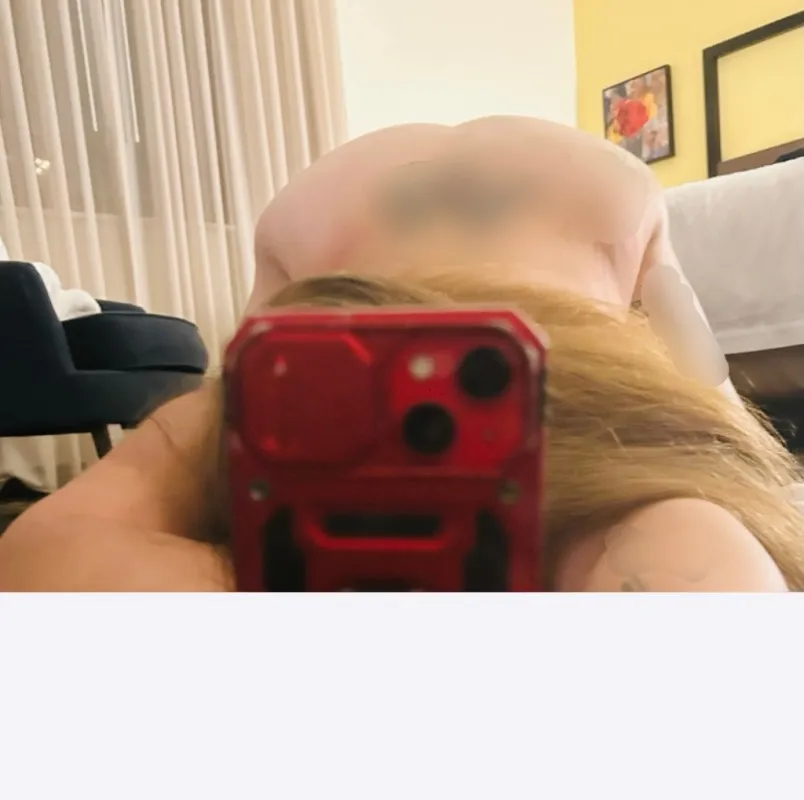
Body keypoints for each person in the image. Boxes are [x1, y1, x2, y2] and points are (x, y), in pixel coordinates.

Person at [3, 116, 796, 591]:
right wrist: (756, 481)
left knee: (67, 546)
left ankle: (317, 590)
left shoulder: (306, 197)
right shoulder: (616, 178)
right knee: (675, 532)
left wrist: (210, 452)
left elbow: (251, 349)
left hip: (331, 352)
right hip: (549, 352)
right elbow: (691, 351)